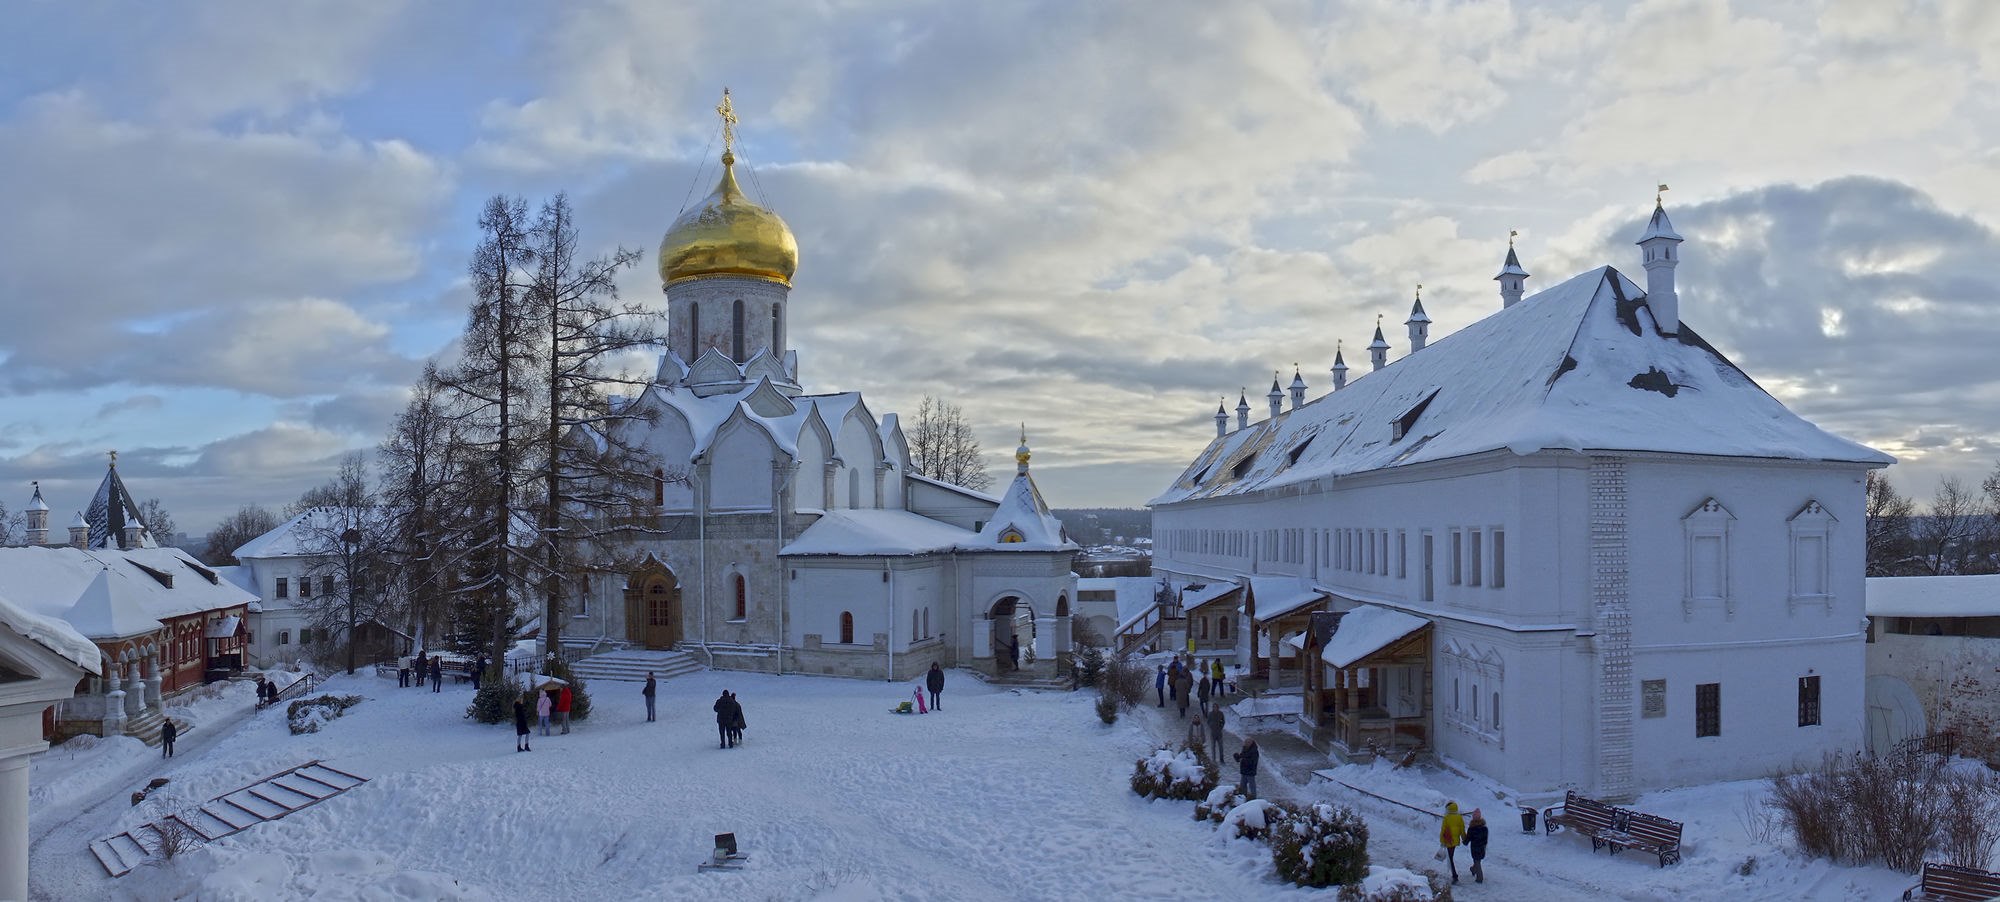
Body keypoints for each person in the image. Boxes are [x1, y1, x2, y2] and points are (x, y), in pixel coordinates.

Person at [1440, 800, 1466, 884]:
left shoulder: (1446, 817)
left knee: (1450, 858)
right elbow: (1462, 829)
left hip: (1448, 840)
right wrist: (1464, 839)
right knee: (1450, 857)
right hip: (1455, 841)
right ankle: (1454, 875)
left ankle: (1455, 877)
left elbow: (1443, 830)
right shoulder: (1459, 817)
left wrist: (1442, 841)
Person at [1467, 808, 1489, 884]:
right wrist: (1484, 845)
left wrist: (1464, 842)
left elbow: (1468, 838)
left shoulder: (1471, 829)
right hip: (1482, 848)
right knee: (1477, 860)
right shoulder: (1485, 828)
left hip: (1474, 848)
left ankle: (1480, 878)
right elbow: (1485, 839)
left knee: (1477, 861)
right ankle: (1473, 869)